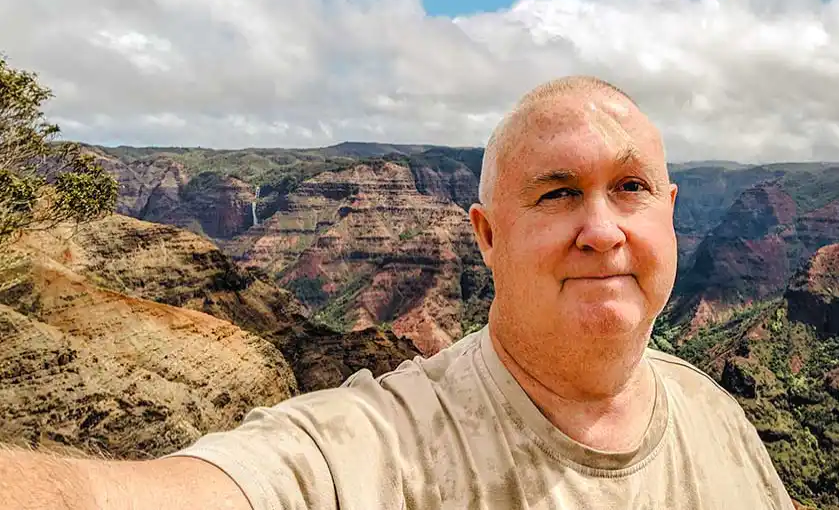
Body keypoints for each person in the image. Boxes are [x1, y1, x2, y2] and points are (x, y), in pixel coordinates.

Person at [0, 75, 794, 509]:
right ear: (485, 236)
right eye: (555, 193)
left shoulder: (714, 413)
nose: (601, 229)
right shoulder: (380, 449)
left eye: (630, 187)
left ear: (671, 214)